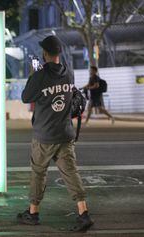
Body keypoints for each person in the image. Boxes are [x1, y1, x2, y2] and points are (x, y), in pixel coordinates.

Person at [19, 36, 94, 232]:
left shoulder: (40, 75)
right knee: (71, 173)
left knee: (38, 172)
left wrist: (34, 73)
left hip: (44, 135)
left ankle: (33, 213)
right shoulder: (68, 73)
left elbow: (26, 97)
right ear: (59, 53)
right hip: (65, 133)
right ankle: (83, 213)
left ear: (44, 54)